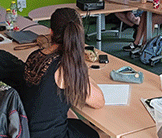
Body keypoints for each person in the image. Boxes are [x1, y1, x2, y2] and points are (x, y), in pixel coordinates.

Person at [21, 8, 104, 138]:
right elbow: (98, 102)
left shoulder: (34, 56)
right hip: (51, 135)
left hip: (26, 131)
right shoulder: (66, 67)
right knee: (99, 134)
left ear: (51, 32)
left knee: (74, 117)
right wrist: (82, 70)